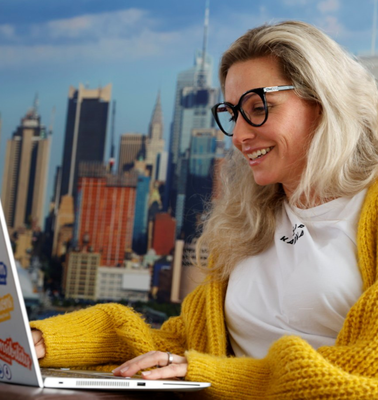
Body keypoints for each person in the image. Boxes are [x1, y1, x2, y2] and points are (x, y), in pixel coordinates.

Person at [30, 20, 378, 399]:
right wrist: (49, 340)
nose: (239, 135)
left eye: (259, 108)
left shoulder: (370, 213)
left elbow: (361, 376)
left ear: (323, 103)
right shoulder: (248, 222)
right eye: (233, 114)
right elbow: (181, 348)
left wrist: (210, 376)